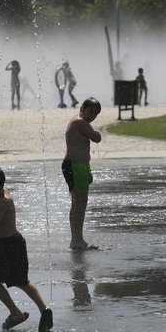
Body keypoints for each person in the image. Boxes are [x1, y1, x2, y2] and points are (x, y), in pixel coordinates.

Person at [0, 166, 54, 332]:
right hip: (14, 243)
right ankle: (44, 309)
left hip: (8, 245)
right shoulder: (0, 195)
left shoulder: (3, 201)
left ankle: (15, 313)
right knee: (22, 281)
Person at [62, 97, 102, 250]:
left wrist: (88, 171)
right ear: (82, 108)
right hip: (75, 166)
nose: (92, 117)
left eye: (96, 114)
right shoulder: (79, 122)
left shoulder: (80, 123)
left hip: (79, 166)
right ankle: (77, 240)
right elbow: (96, 138)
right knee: (80, 204)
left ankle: (77, 239)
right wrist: (97, 133)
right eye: (90, 112)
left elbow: (83, 149)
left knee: (77, 203)